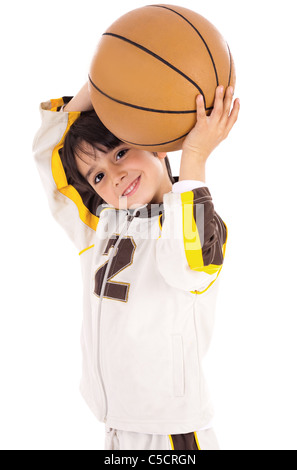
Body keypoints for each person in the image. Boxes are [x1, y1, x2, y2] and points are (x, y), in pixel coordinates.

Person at [33, 82, 239, 450]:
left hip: (170, 432)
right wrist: (106, 77)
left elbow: (185, 264)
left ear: (157, 145)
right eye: (97, 177)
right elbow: (52, 151)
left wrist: (194, 154)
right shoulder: (98, 227)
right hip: (118, 426)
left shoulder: (200, 226)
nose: (114, 176)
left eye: (120, 153)